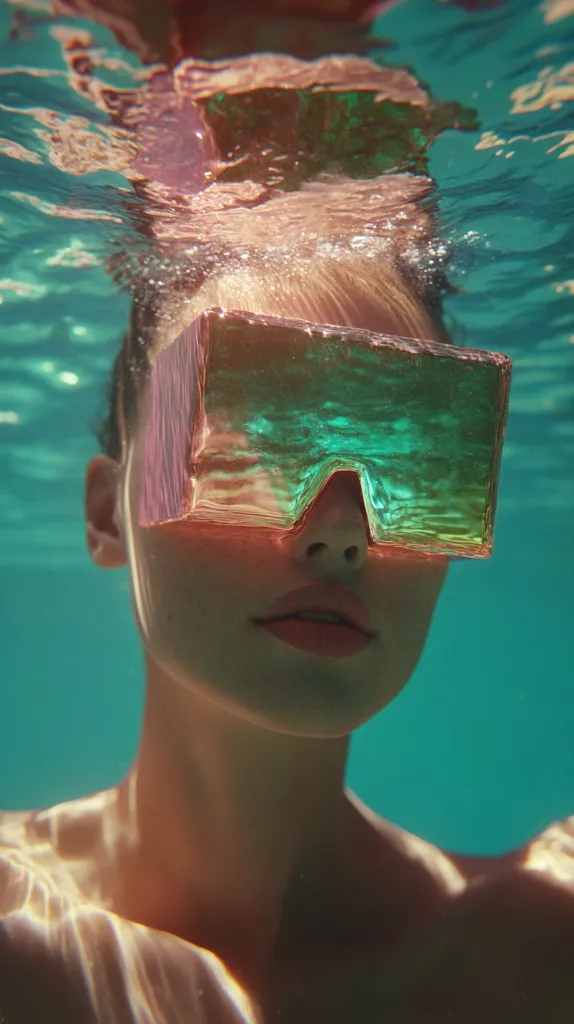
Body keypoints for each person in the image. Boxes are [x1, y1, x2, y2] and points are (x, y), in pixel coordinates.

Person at [1, 249, 573, 1024]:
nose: (342, 532)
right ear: (108, 515)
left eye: (414, 462)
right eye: (248, 448)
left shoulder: (545, 946)